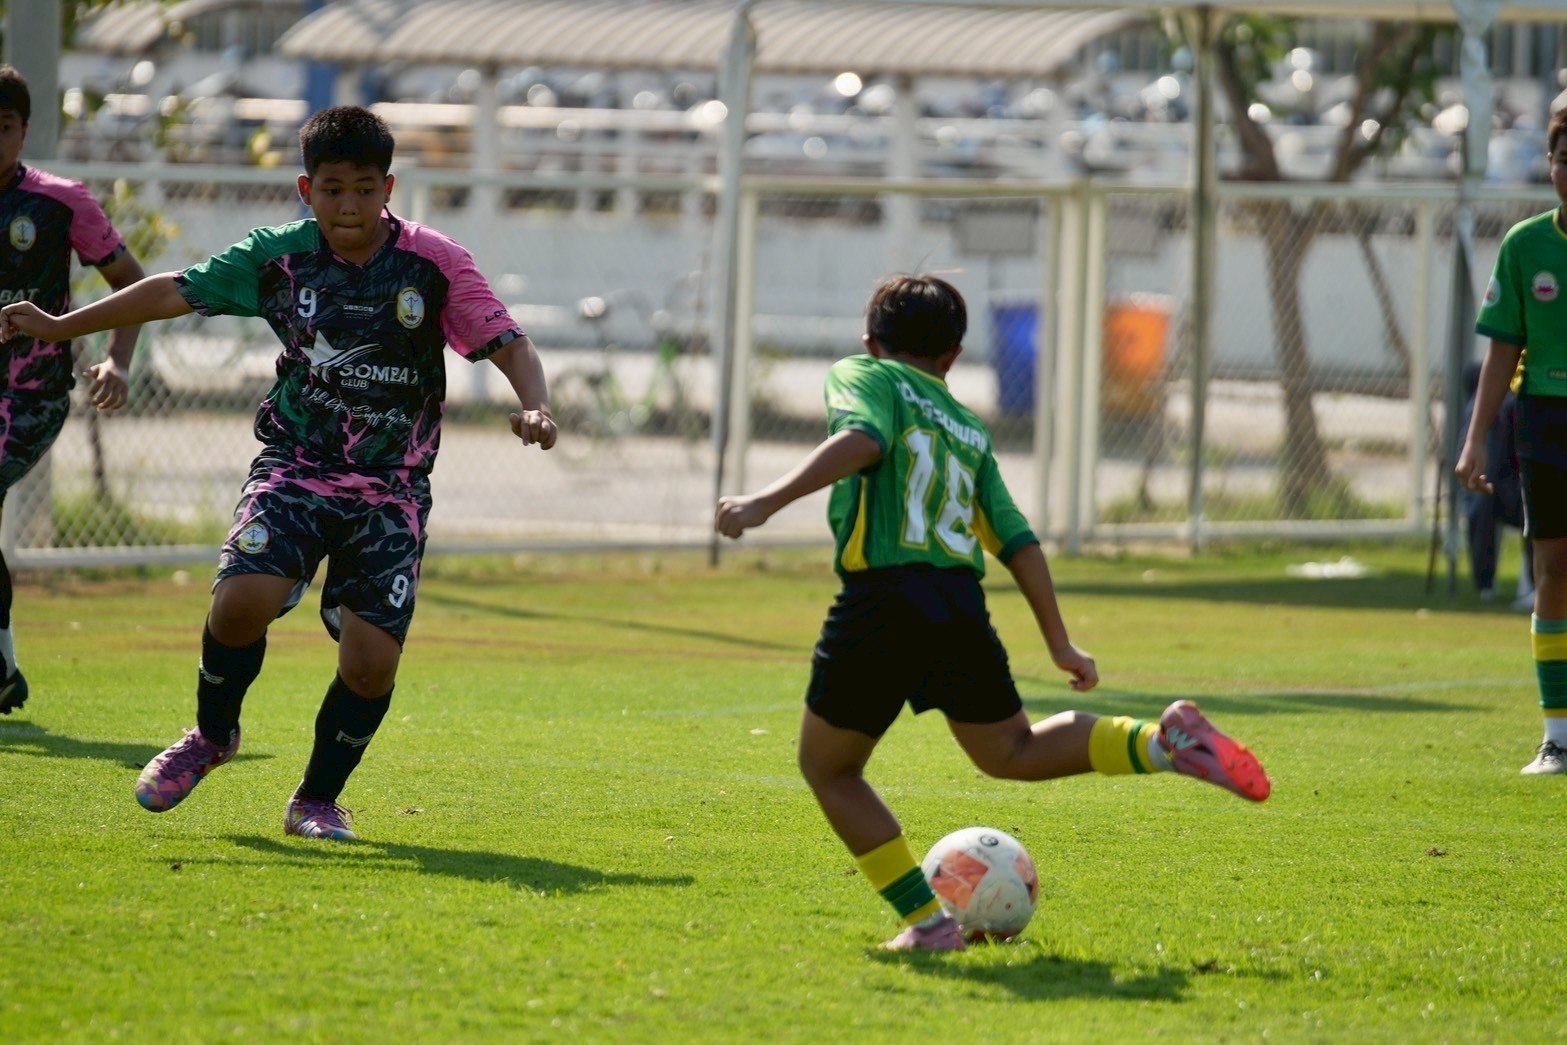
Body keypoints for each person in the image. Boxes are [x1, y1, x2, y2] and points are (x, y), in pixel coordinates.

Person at [0, 106, 557, 837]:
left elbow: (508, 341)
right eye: (333, 189)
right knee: (239, 603)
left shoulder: (434, 262)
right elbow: (172, 288)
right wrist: (61, 325)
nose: (349, 205)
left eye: (365, 189)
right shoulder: (279, 257)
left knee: (370, 664)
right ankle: (212, 735)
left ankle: (316, 800)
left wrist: (536, 404)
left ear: (389, 188)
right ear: (306, 189)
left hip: (390, 487)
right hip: (294, 466)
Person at [714, 275, 1270, 952]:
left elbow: (862, 439)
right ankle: (1164, 743)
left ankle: (929, 925)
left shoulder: (868, 375)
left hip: (884, 598)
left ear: (870, 341)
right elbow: (1017, 541)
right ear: (952, 356)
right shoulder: (968, 431)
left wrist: (763, 502)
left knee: (830, 769)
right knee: (1012, 749)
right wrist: (1060, 642)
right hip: (958, 603)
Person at [0, 65, 148, 715]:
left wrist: (118, 361)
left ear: (24, 131)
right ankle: (4, 670)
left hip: (29, 396)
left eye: (3, 127)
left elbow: (133, 283)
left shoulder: (61, 202)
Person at [1459, 105, 1567, 776]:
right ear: (1549, 165)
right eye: (1564, 159)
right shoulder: (1525, 244)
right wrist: (1474, 440)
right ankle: (1557, 737)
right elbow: (1502, 350)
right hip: (1545, 419)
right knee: (1552, 569)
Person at [1459, 362, 1534, 610]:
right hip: (1495, 487)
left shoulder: (1516, 405)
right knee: (1482, 504)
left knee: (1534, 503)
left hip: (1519, 484)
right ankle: (1487, 582)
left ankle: (1535, 584)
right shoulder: (1479, 410)